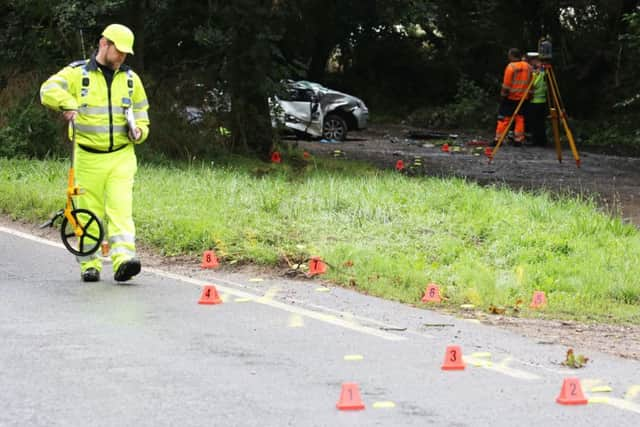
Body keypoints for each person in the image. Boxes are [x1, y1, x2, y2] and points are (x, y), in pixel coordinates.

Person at [40, 24, 150, 282]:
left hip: (122, 155)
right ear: (104, 44)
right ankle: (89, 264)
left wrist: (140, 131)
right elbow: (47, 90)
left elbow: (142, 112)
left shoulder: (131, 79)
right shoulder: (78, 73)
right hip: (87, 156)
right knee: (87, 211)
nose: (122, 57)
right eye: (118, 51)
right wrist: (67, 104)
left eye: (126, 53)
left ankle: (124, 260)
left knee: (120, 209)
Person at [494, 48, 532, 146]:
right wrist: (530, 95)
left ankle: (498, 139)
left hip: (511, 97)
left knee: (504, 118)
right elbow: (531, 83)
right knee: (520, 118)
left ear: (511, 56)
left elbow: (506, 85)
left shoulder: (511, 67)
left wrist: (503, 96)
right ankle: (518, 139)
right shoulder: (528, 66)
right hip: (523, 98)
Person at [525, 52, 548, 146]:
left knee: (535, 123)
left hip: (535, 100)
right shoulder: (544, 71)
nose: (531, 63)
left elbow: (533, 85)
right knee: (541, 123)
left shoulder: (539, 73)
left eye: (533, 61)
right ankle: (542, 141)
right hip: (542, 100)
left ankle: (536, 141)